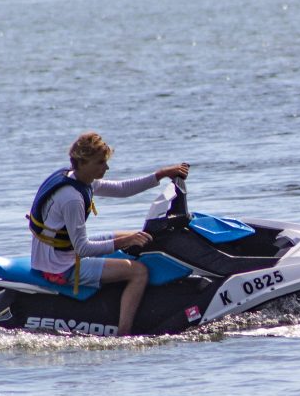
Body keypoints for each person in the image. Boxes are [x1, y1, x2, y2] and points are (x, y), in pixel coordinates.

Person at [28, 132, 190, 336]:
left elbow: (122, 189)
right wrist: (126, 241)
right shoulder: (72, 199)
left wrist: (160, 174)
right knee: (139, 272)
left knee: (143, 237)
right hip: (60, 266)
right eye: (100, 163)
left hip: (59, 252)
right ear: (83, 162)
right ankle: (124, 333)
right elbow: (83, 248)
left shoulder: (77, 178)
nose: (106, 168)